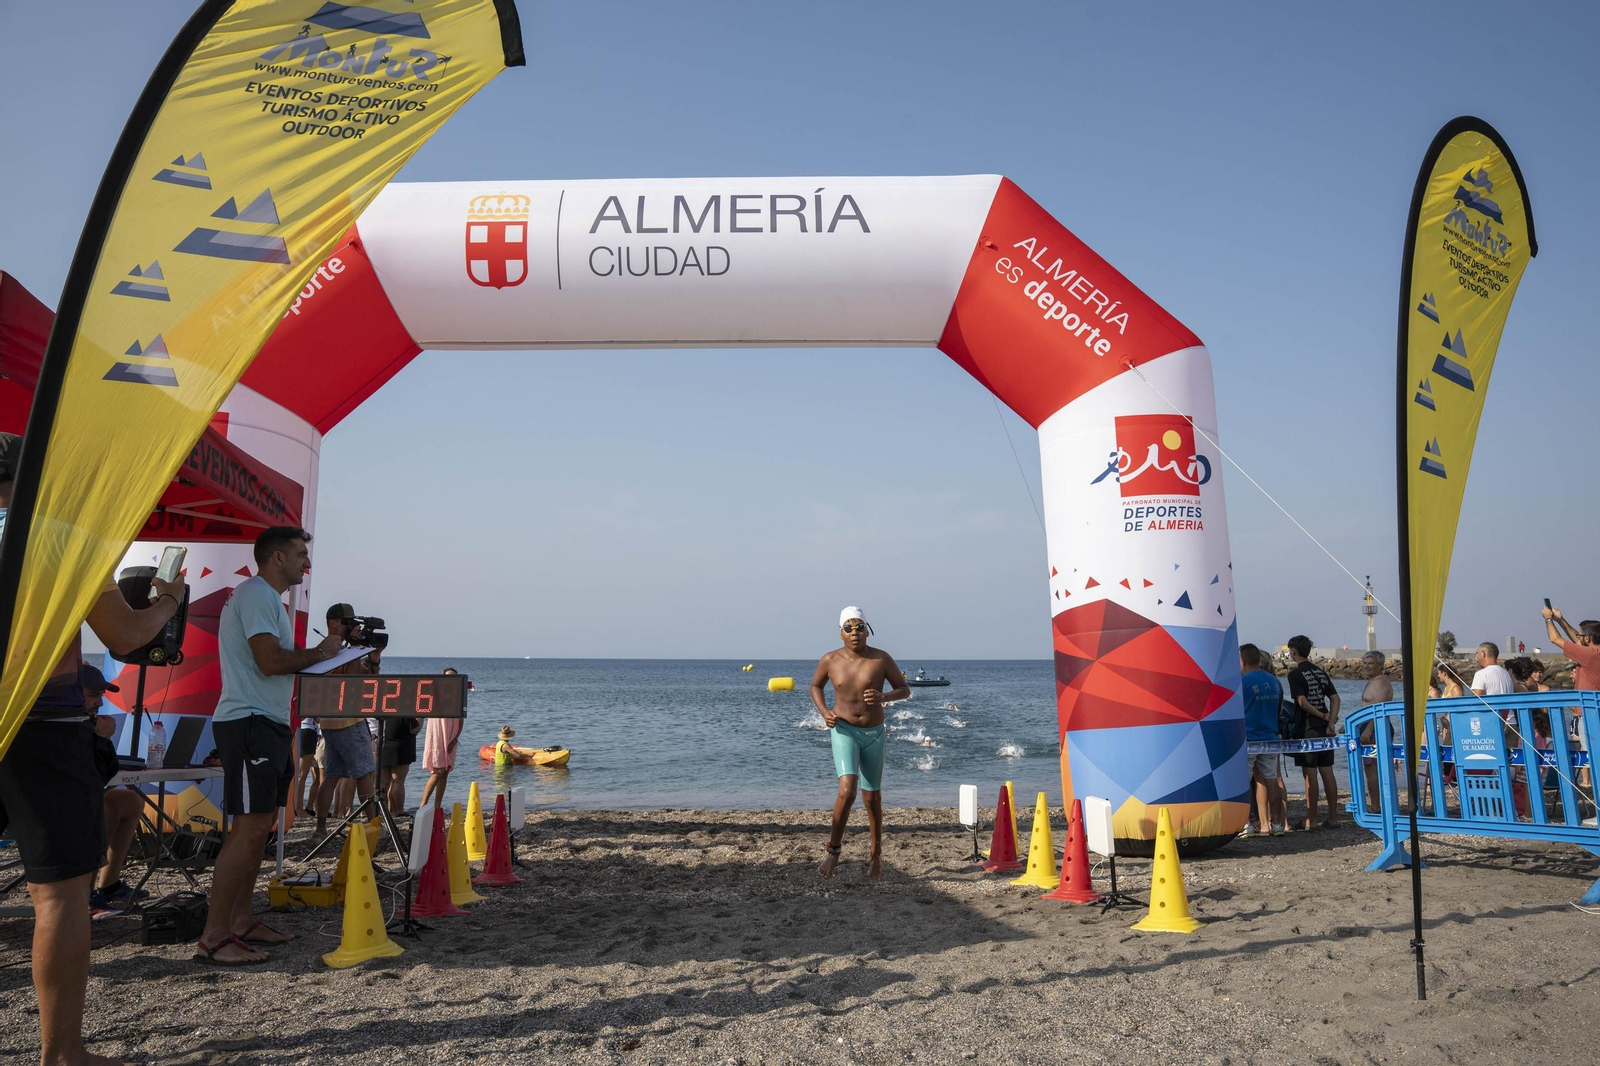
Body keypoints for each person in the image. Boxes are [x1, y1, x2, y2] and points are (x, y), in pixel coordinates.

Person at [0, 431, 185, 1066]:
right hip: (43, 723)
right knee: (59, 895)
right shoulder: (61, 535)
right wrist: (167, 602)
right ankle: (62, 1053)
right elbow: (128, 635)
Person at [196, 526, 342, 965]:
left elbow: (273, 663)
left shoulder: (266, 600)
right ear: (276, 557)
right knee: (248, 829)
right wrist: (320, 654)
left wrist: (321, 658)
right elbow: (269, 661)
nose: (307, 563)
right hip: (249, 721)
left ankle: (240, 921)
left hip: (269, 721)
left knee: (260, 829)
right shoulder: (257, 595)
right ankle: (214, 936)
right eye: (300, 554)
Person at [808, 606, 909, 879]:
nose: (855, 633)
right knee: (847, 790)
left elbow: (904, 689)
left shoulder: (880, 659)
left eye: (860, 627)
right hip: (844, 730)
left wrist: (883, 698)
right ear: (840, 633)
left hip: (874, 733)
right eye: (849, 628)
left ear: (868, 630)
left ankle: (876, 856)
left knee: (872, 797)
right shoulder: (830, 660)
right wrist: (825, 712)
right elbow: (815, 686)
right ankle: (833, 851)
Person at [81, 666, 148, 912]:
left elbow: (104, 772)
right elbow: (94, 777)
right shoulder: (63, 724)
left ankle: (108, 883)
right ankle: (84, 893)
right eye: (93, 695)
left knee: (129, 800)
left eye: (101, 695)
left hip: (69, 799)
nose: (100, 702)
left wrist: (100, 737)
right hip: (43, 807)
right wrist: (102, 738)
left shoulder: (85, 722)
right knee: (104, 806)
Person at [311, 604, 381, 838]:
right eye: (346, 622)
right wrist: (357, 648)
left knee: (330, 777)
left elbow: (369, 679)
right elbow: (349, 680)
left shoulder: (326, 651)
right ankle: (374, 826)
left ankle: (321, 828)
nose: (351, 627)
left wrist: (374, 658)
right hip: (348, 722)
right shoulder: (334, 653)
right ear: (333, 623)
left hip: (329, 726)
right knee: (364, 774)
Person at [1286, 634, 1340, 829]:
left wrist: (1322, 716)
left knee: (1310, 776)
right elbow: (1335, 698)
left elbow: (1302, 702)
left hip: (1307, 729)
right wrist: (1331, 719)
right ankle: (1333, 818)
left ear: (1293, 652)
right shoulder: (1320, 672)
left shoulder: (1295, 674)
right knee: (1328, 772)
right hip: (1325, 731)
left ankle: (1312, 819)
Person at [1542, 605, 1597, 789]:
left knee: (1593, 757)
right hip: (1593, 711)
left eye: (1582, 636)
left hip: (1588, 715)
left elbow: (1554, 639)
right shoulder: (1593, 653)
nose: (1578, 638)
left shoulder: (1589, 656)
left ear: (1588, 638)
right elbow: (1576, 638)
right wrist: (1561, 619)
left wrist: (1548, 619)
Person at [1238, 643, 1287, 836]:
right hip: (1270, 737)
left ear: (1243, 661)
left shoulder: (1242, 682)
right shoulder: (1274, 682)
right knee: (1271, 780)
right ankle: (1276, 824)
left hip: (1249, 738)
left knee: (1244, 781)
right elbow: (1280, 710)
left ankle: (1247, 824)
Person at [419, 667, 466, 809]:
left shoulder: (458, 697)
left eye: (453, 677)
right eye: (448, 676)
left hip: (451, 736)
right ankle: (423, 805)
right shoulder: (436, 695)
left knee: (445, 773)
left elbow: (461, 721)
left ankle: (437, 806)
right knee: (437, 771)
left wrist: (455, 739)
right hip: (438, 736)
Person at [1357, 651, 1394, 813]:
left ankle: (1376, 806)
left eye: (1370, 663)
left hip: (1375, 729)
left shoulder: (1380, 682)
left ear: (1380, 665)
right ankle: (1376, 804)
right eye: (1365, 663)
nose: (1366, 666)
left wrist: (1368, 730)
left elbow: (1379, 709)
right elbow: (1366, 708)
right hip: (1367, 727)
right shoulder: (1372, 681)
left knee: (1373, 769)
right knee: (1369, 769)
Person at [378, 714, 421, 813]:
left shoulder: (382, 710)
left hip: (383, 745)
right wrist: (421, 718)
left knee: (384, 782)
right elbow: (414, 729)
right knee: (398, 781)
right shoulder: (403, 710)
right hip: (401, 747)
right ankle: (398, 810)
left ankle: (384, 810)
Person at [294, 716, 321, 818]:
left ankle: (296, 808)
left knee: (299, 774)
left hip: (300, 729)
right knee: (301, 775)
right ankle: (299, 809)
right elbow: (318, 717)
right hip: (308, 730)